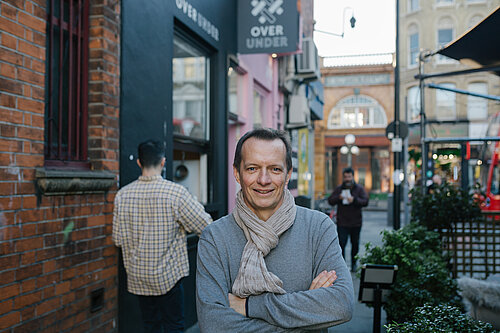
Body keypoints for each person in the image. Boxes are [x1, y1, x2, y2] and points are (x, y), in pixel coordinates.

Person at [196, 128, 354, 332]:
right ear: (237, 173)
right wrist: (306, 319)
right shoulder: (215, 237)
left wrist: (249, 306)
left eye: (275, 169)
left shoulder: (318, 227)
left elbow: (340, 304)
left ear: (288, 174)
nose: (263, 180)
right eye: (252, 168)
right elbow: (213, 324)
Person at [112, 140, 212, 333]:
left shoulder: (122, 196)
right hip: (169, 277)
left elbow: (118, 239)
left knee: (150, 326)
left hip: (138, 276)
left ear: (139, 163)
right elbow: (205, 226)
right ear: (163, 162)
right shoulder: (176, 193)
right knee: (174, 326)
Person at [328, 167, 369, 272]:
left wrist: (354, 200)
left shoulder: (359, 189)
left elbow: (365, 201)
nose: (347, 179)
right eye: (345, 177)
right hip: (342, 222)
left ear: (352, 177)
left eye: (349, 176)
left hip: (356, 222)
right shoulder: (339, 189)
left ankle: (354, 264)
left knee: (355, 244)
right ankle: (342, 265)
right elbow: (330, 200)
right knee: (341, 244)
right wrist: (339, 198)